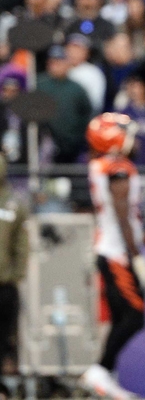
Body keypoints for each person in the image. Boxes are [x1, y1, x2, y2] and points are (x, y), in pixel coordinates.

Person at [79, 113, 145, 400]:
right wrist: (136, 255)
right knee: (134, 316)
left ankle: (105, 376)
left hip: (109, 247)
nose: (135, 140)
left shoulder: (100, 164)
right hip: (116, 252)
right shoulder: (117, 166)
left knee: (123, 317)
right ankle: (99, 371)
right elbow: (121, 214)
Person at [0, 153, 29, 382]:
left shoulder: (13, 203)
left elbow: (21, 242)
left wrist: (17, 273)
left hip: (5, 283)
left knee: (6, 336)